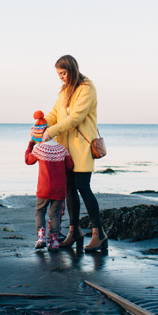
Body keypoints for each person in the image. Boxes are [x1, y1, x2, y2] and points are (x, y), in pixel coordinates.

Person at [41, 55, 107, 252]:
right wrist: (41, 124)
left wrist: (51, 131)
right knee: (69, 189)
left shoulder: (87, 87)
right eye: (58, 74)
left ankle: (99, 233)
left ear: (71, 69)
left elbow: (77, 117)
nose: (61, 77)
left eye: (63, 73)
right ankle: (74, 231)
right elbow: (55, 113)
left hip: (82, 147)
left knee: (83, 187)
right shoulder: (64, 90)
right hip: (66, 149)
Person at [25, 110, 73, 251]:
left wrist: (30, 145)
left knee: (40, 211)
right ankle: (53, 241)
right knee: (55, 214)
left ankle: (41, 237)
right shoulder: (61, 149)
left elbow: (28, 160)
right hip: (59, 189)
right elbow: (70, 167)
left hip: (44, 188)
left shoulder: (39, 149)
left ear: (37, 136)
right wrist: (68, 155)